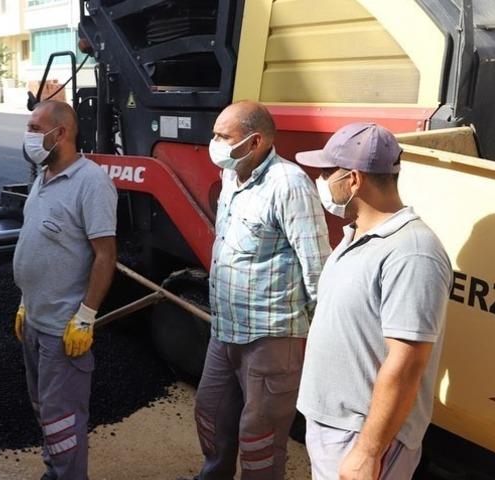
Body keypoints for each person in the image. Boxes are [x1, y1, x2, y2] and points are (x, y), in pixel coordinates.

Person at [295, 123, 452, 480]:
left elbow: (407, 363)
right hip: (337, 427)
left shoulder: (412, 252)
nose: (320, 180)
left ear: (353, 179)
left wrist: (368, 451)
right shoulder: (357, 234)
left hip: (363, 437)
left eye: (326, 172)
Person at [191, 101, 331, 480]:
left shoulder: (289, 184)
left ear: (254, 142)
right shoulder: (231, 176)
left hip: (271, 336)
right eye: (215, 134)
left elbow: (316, 266)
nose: (214, 143)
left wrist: (319, 340)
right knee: (210, 412)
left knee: (260, 437)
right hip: (226, 329)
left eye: (223, 136)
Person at [13, 100, 118, 480]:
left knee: (63, 419)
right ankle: (54, 472)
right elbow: (38, 243)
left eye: (35, 129)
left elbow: (106, 255)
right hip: (35, 321)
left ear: (61, 133)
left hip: (63, 328)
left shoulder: (92, 182)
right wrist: (24, 302)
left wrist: (85, 317)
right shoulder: (42, 178)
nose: (28, 136)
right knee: (44, 410)